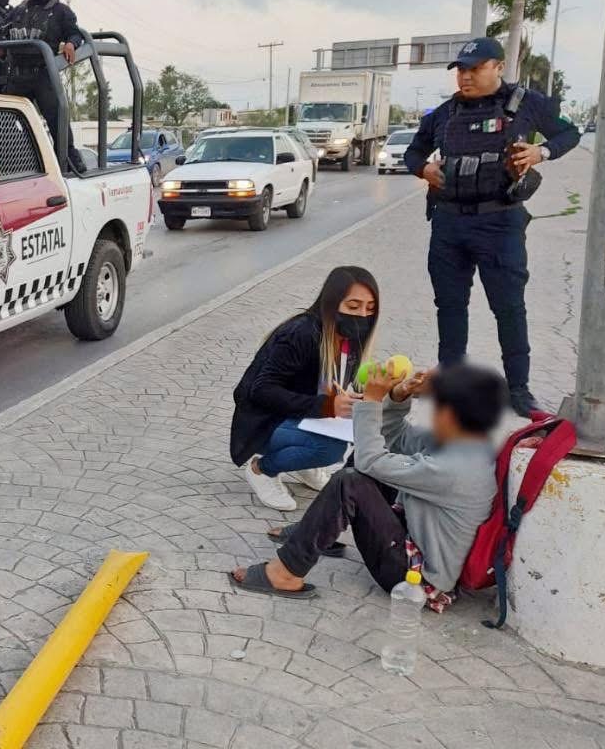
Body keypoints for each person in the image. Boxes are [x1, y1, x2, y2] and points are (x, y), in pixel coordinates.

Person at [403, 37, 581, 418]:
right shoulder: (444, 113)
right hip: (450, 222)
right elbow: (413, 151)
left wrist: (540, 152)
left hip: (500, 221)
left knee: (509, 308)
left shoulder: (527, 103)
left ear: (498, 67)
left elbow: (570, 133)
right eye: (461, 71)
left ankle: (519, 390)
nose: (465, 78)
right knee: (449, 308)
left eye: (475, 69)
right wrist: (423, 169)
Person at [230, 362, 506, 605]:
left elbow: (370, 459)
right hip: (413, 537)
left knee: (350, 480)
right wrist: (398, 397)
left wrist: (373, 400)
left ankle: (285, 574)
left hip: (417, 579)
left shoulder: (457, 467)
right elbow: (393, 439)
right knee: (363, 468)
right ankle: (317, 533)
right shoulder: (464, 442)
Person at [230, 266, 380, 512]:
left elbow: (333, 385)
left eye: (370, 309)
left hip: (301, 417)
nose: (362, 315)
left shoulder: (350, 338)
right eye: (353, 307)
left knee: (357, 427)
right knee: (331, 448)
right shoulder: (301, 333)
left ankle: (303, 464)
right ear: (332, 303)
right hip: (262, 422)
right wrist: (328, 405)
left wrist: (361, 396)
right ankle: (262, 469)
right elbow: (261, 390)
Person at [1, 0, 84, 173]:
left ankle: (70, 164)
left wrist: (71, 44)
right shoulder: (17, 11)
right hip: (17, 77)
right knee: (3, 122)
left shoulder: (61, 11)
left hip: (44, 76)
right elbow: (0, 33)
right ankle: (16, 163)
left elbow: (75, 33)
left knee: (58, 121)